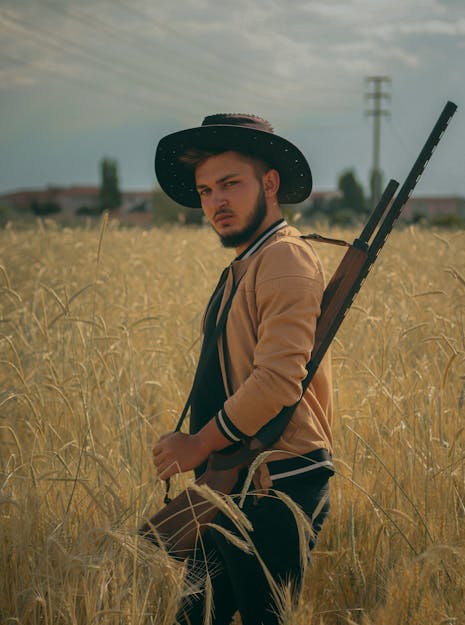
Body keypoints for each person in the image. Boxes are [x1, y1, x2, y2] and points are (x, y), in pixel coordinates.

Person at [151, 113, 334, 625]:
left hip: (277, 485)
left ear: (269, 183)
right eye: (206, 190)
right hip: (233, 476)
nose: (216, 202)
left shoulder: (283, 259)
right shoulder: (247, 263)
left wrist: (197, 444)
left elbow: (277, 381)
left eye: (230, 184)